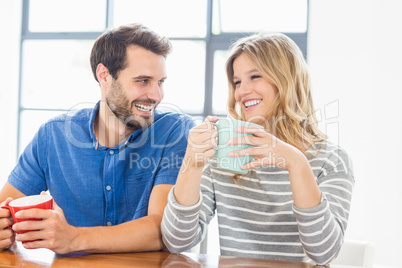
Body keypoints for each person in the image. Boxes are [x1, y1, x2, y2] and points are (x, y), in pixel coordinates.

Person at [161, 32, 354, 265]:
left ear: (287, 79)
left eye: (255, 76)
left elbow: (323, 253)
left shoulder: (331, 160)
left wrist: (297, 164)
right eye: (237, 82)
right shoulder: (226, 154)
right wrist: (192, 163)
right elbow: (177, 241)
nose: (242, 92)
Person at [0, 23, 195, 253]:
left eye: (160, 82)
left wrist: (74, 238)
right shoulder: (53, 136)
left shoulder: (175, 133)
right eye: (143, 81)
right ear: (104, 75)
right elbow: (8, 206)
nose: (156, 95)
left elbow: (161, 231)